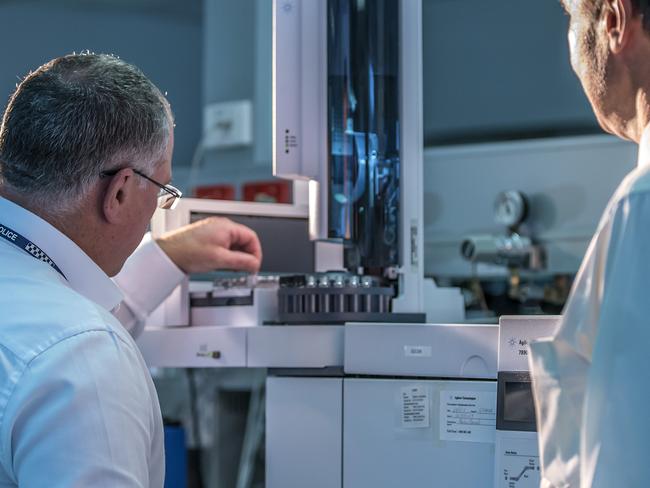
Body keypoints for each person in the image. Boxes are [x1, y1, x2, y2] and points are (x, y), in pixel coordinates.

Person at [0, 53, 261, 487]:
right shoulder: (85, 357)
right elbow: (66, 344)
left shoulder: (54, 330)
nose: (156, 211)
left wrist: (171, 256)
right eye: (162, 191)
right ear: (119, 193)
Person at [529, 0, 650, 486]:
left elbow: (624, 458)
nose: (573, 49)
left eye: (571, 19)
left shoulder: (640, 208)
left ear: (615, 22)